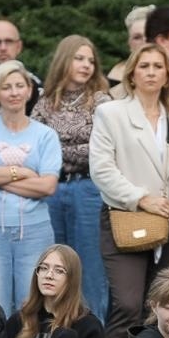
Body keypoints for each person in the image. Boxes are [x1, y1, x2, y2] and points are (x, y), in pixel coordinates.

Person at [90, 45, 169, 338]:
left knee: (168, 304)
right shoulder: (111, 113)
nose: (150, 72)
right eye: (143, 66)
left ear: (166, 76)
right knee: (128, 303)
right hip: (127, 218)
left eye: (157, 67)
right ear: (132, 74)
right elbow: (101, 169)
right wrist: (141, 199)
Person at [0, 61, 61, 314]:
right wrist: (23, 173)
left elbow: (48, 186)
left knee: (32, 306)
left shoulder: (45, 135)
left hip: (35, 231)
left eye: (20, 86)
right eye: (7, 87)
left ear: (29, 91)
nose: (14, 92)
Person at [31, 37, 111, 319]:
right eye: (79, 58)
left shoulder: (101, 100)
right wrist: (69, 150)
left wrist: (57, 150)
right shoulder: (44, 101)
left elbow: (102, 149)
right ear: (64, 60)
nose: (86, 65)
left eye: (90, 60)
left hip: (87, 189)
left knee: (89, 269)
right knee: (51, 267)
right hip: (51, 190)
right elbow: (33, 148)